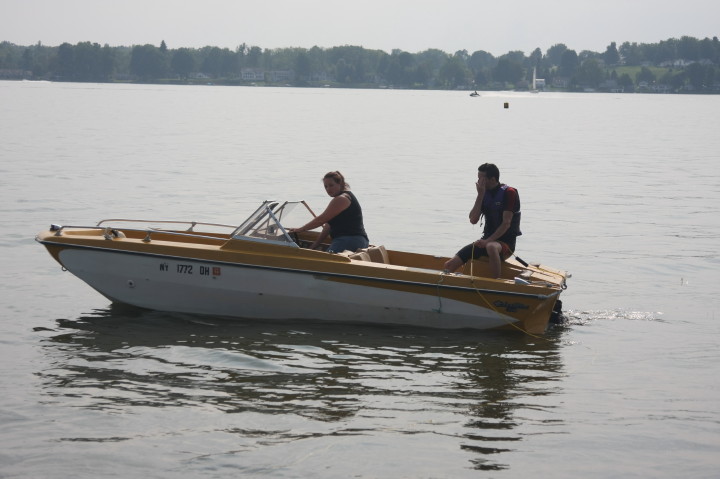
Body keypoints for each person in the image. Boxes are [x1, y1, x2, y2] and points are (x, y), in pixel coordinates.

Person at [443, 163, 521, 278]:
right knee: (449, 265)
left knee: (491, 246)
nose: (478, 181)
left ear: (492, 179)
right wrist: (480, 195)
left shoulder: (509, 193)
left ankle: (496, 283)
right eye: (478, 178)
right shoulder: (484, 193)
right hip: (486, 241)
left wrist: (488, 241)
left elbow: (506, 223)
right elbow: (473, 219)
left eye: (481, 178)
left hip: (505, 244)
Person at [289, 171, 369, 253]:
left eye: (331, 185)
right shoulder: (343, 198)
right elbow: (328, 225)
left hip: (348, 240)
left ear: (340, 183)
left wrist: (300, 229)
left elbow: (321, 220)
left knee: (323, 262)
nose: (328, 189)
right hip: (359, 241)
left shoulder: (342, 199)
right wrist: (315, 244)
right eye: (326, 186)